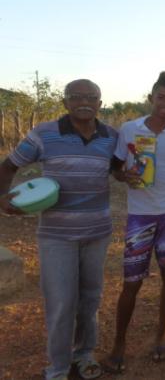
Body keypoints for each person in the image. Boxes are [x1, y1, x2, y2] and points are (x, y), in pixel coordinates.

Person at [0, 80, 117, 380]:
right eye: (76, 97)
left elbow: (119, 169)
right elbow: (9, 166)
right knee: (62, 302)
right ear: (65, 103)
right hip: (56, 236)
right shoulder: (44, 134)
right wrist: (3, 198)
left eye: (92, 97)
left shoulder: (111, 137)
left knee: (90, 298)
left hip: (97, 232)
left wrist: (131, 173)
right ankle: (58, 368)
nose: (84, 102)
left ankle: (85, 354)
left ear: (100, 103)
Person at [102, 71, 165, 373]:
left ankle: (162, 332)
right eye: (161, 97)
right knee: (131, 282)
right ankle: (119, 342)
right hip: (139, 217)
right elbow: (116, 168)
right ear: (151, 97)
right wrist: (124, 176)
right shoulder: (129, 130)